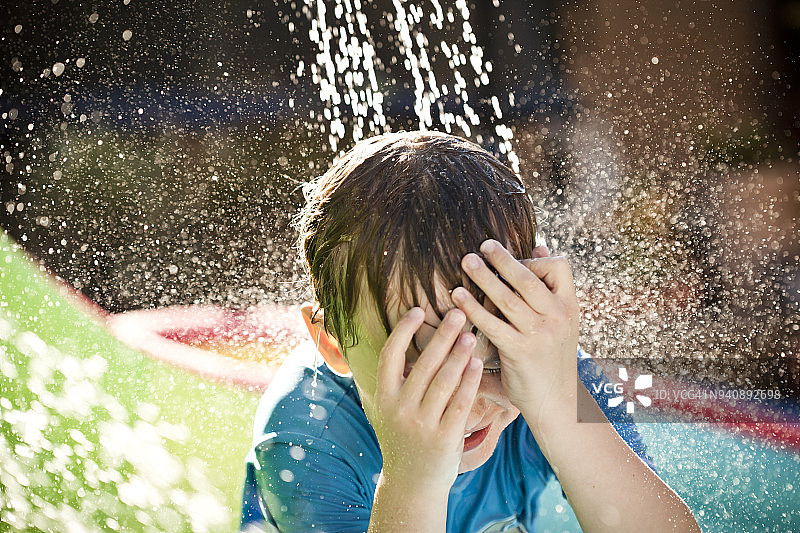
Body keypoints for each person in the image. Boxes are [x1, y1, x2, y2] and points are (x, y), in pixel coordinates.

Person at [240, 131, 699, 532]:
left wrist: (557, 404)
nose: (467, 403)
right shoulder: (307, 440)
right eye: (430, 369)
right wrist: (411, 478)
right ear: (331, 344)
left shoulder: (547, 370)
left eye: (496, 356)